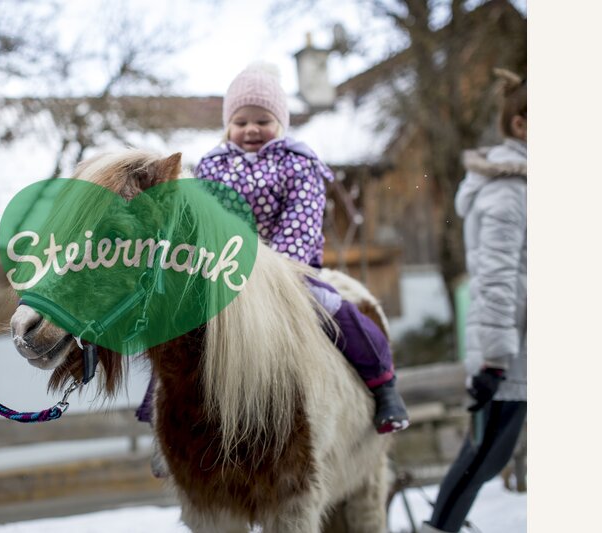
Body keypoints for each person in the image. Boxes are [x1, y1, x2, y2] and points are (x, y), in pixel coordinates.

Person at [187, 61, 409, 433]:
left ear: (281, 123)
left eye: (263, 120)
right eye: (241, 122)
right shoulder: (211, 168)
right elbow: (207, 224)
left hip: (289, 272)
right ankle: (165, 418)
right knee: (181, 324)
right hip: (224, 271)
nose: (252, 129)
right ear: (228, 126)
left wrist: (273, 272)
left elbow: (302, 221)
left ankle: (382, 381)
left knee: (332, 307)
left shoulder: (298, 164)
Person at [421, 69, 526, 533]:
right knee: (484, 456)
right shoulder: (509, 189)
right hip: (509, 352)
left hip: (518, 347)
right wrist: (497, 361)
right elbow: (498, 278)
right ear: (520, 124)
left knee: (486, 455)